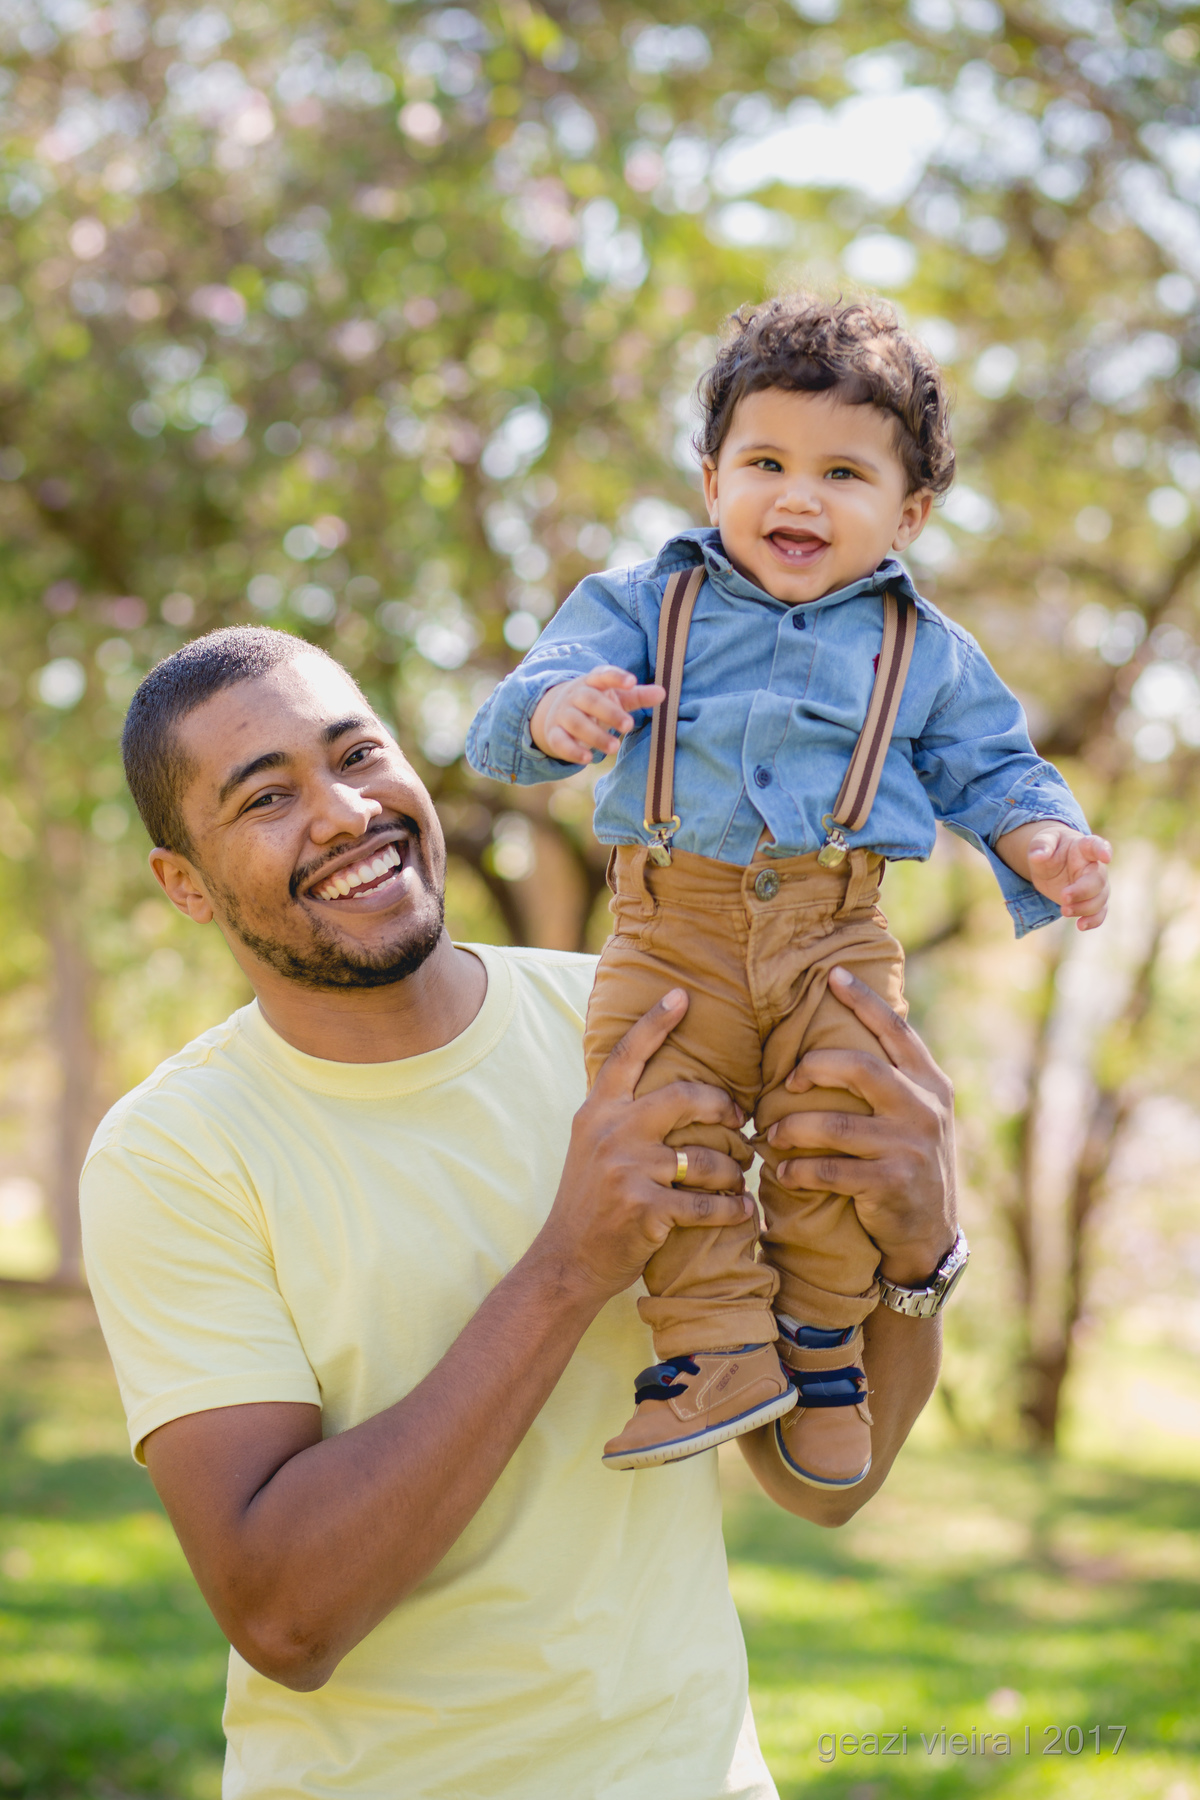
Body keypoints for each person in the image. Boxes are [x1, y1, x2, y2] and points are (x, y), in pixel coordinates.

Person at [82, 625, 958, 1800]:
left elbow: (817, 1483)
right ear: (183, 882)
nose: (345, 813)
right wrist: (569, 1266)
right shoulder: (174, 1153)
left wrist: (918, 1252)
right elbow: (285, 1617)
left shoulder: (635, 1026)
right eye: (267, 799)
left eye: (359, 754)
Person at [466, 292, 1111, 1488]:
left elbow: (994, 770)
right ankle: (715, 1352)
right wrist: (559, 713)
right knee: (664, 1132)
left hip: (836, 937)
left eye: (844, 475)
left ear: (908, 513)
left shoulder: (927, 653)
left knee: (843, 1136)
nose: (797, 498)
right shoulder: (644, 603)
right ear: (712, 481)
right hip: (671, 929)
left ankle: (823, 1355)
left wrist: (1045, 842)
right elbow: (528, 695)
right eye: (765, 462)